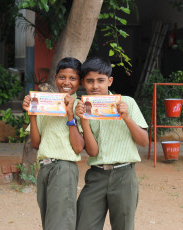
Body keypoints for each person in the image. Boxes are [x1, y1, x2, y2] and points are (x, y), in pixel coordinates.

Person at [75, 56, 149, 230]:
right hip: (96, 176)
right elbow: (92, 152)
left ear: (110, 81)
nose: (95, 86)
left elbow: (144, 141)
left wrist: (126, 118)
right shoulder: (81, 108)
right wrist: (84, 120)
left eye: (101, 80)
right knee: (84, 225)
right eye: (90, 81)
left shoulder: (127, 103)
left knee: (123, 226)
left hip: (124, 175)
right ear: (83, 83)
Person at [22, 57, 84, 230]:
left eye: (73, 78)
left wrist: (70, 114)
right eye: (62, 77)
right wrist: (32, 114)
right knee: (49, 220)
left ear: (79, 82)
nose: (66, 82)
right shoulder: (45, 104)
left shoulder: (80, 106)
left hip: (64, 168)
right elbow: (36, 143)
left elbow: (78, 147)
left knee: (60, 223)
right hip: (45, 168)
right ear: (55, 77)